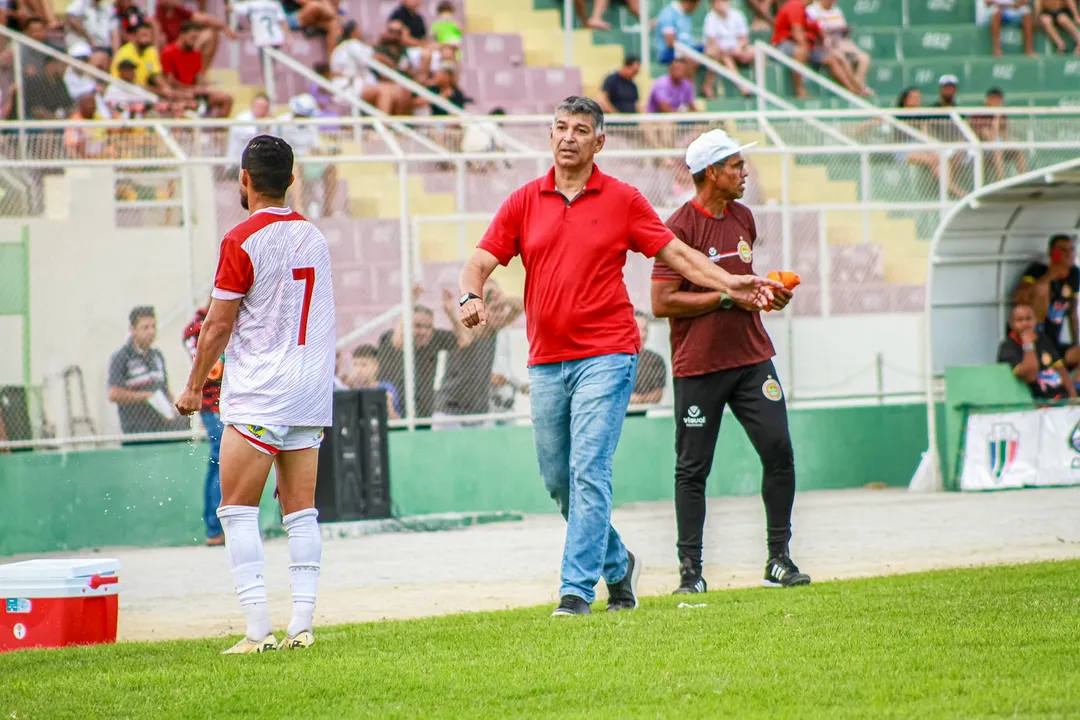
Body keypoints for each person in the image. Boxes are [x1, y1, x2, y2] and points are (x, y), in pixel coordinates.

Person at [457, 96, 780, 616]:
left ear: (599, 142)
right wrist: (470, 296)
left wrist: (732, 284)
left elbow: (676, 254)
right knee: (557, 480)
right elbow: (477, 262)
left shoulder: (623, 199)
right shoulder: (523, 201)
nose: (567, 137)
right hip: (545, 361)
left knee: (589, 470)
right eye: (560, 127)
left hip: (607, 354)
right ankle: (617, 563)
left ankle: (575, 591)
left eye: (580, 129)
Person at [175, 135, 336, 654]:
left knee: (237, 511)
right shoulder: (313, 236)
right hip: (309, 392)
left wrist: (194, 386)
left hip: (260, 392)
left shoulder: (240, 239)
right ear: (293, 179)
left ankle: (257, 631)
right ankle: (303, 625)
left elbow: (219, 324)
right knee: (301, 511)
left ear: (243, 181)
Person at [651, 128, 809, 594]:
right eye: (737, 166)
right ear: (712, 173)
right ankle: (691, 574)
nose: (745, 173)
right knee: (692, 469)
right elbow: (662, 302)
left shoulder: (743, 216)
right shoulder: (679, 226)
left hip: (751, 358)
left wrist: (767, 298)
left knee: (779, 450)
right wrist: (724, 299)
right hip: (698, 365)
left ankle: (778, 559)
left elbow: (744, 286)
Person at [433, 283, 522, 428]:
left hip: (477, 413)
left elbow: (520, 306)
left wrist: (501, 300)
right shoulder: (469, 326)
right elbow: (464, 337)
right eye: (494, 310)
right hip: (450, 410)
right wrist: (451, 313)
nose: (500, 314)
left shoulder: (494, 331)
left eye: (501, 310)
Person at [108, 305, 191, 437]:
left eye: (153, 326)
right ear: (133, 330)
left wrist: (172, 408)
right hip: (137, 427)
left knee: (184, 421)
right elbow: (113, 394)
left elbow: (165, 389)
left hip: (162, 424)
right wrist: (146, 396)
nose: (151, 331)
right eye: (145, 327)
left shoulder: (157, 356)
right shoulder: (122, 357)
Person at [183, 302, 226, 547]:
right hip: (213, 406)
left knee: (221, 461)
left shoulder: (235, 319)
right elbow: (211, 369)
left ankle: (219, 525)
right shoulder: (196, 328)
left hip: (238, 401)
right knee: (221, 458)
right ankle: (214, 527)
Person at [376, 302, 459, 418]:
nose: (423, 332)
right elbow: (398, 342)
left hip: (424, 415)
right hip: (394, 415)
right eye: (417, 326)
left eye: (428, 327)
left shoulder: (436, 337)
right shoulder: (388, 338)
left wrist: (451, 313)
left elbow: (464, 339)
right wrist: (410, 302)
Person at [1013, 234, 1080, 369]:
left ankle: (1075, 386)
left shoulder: (1074, 274)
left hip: (1054, 343)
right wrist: (1050, 275)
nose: (1069, 254)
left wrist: (1076, 342)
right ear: (1051, 253)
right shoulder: (1037, 271)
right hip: (1032, 343)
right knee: (1042, 288)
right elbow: (1018, 298)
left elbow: (1072, 312)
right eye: (1063, 250)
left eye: (1071, 250)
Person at [998, 303, 1076, 400]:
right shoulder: (1008, 347)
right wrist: (1028, 345)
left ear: (1035, 321)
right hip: (1038, 403)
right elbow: (1030, 376)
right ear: (1011, 324)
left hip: (1061, 398)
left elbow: (1060, 369)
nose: (1025, 324)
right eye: (1019, 320)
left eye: (1028, 319)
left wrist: (1074, 397)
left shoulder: (1042, 338)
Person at [702, 0, 753, 99]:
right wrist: (728, 51)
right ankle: (742, 87)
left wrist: (738, 48)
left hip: (736, 49)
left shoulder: (737, 15)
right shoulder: (710, 18)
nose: (721, 4)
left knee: (755, 51)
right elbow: (713, 42)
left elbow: (744, 38)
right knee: (725, 57)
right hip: (718, 51)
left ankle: (760, 84)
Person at [348, 344, 400, 419]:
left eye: (363, 365)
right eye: (355, 364)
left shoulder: (387, 388)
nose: (358, 370)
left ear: (376, 366)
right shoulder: (353, 389)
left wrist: (389, 406)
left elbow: (396, 419)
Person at [630, 311, 667, 406]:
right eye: (638, 329)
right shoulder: (617, 358)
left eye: (645, 329)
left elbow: (658, 395)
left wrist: (637, 399)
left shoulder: (656, 360)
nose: (642, 334)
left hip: (646, 413)